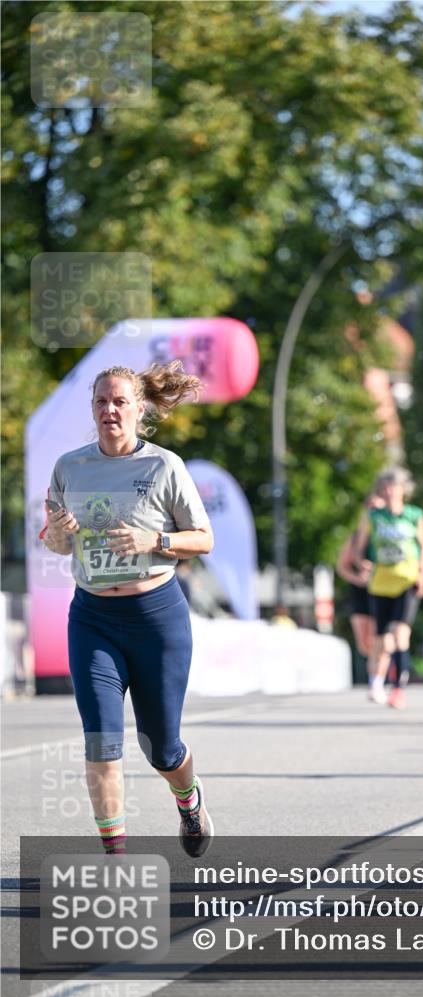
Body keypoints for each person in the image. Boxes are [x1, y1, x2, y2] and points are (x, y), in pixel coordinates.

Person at [41, 361, 215, 856]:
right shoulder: (69, 467)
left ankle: (188, 797)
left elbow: (204, 539)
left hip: (156, 617)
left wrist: (154, 539)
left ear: (140, 408)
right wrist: (58, 534)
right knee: (101, 740)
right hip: (93, 619)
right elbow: (53, 541)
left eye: (119, 401)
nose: (109, 410)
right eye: (101, 401)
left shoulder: (163, 466)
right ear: (92, 409)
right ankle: (115, 858)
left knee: (163, 748)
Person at [353, 468, 423, 709]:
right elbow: (359, 546)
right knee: (382, 639)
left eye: (393, 486)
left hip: (406, 580)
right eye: (385, 487)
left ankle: (398, 688)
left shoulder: (414, 515)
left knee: (400, 634)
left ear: (402, 490)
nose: (388, 491)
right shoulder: (372, 517)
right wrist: (360, 562)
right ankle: (376, 683)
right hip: (380, 583)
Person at [335, 494, 384, 668]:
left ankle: (378, 675)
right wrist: (356, 578)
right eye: (371, 507)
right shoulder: (356, 537)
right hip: (361, 589)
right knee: (364, 643)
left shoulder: (389, 536)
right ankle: (376, 669)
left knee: (378, 636)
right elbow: (342, 566)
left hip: (383, 588)